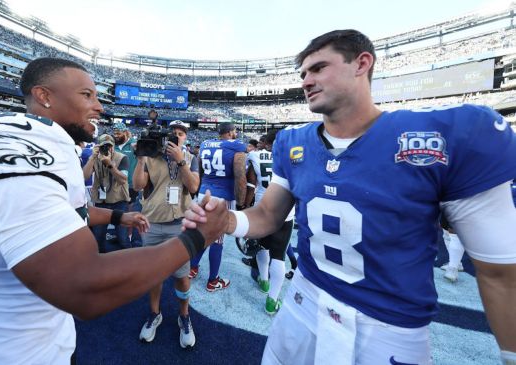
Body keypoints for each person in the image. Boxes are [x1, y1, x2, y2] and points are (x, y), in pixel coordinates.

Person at [183, 29, 516, 364]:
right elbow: (269, 214)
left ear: (362, 63)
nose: (306, 80)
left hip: (388, 329)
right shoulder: (293, 142)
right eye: (303, 74)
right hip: (304, 302)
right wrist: (227, 220)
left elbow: (503, 273)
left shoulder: (442, 134)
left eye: (318, 68)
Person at [0, 57, 226, 364]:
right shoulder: (19, 147)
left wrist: (116, 215)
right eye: (87, 95)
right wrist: (198, 238)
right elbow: (83, 288)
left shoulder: (50, 144)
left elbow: (70, 213)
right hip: (0, 353)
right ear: (44, 96)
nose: (99, 107)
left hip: (40, 338)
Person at [132, 120, 200, 348]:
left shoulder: (190, 158)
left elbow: (193, 187)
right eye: (173, 133)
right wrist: (141, 159)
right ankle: (155, 313)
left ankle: (184, 315)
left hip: (179, 224)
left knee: (182, 275)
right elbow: (137, 186)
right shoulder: (151, 156)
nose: (176, 137)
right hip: (152, 223)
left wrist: (180, 161)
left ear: (185, 138)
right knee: (154, 275)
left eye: (181, 134)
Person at [188, 122, 246, 292]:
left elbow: (199, 168)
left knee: (203, 233)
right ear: (229, 132)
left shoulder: (205, 144)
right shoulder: (235, 145)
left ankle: (192, 267)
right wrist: (241, 204)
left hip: (203, 194)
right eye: (234, 131)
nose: (236, 134)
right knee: (217, 240)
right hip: (221, 197)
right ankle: (213, 280)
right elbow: (240, 173)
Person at [245, 130, 294, 315]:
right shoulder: (294, 158)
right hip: (285, 212)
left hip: (261, 208)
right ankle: (272, 301)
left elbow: (250, 181)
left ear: (267, 143)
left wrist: (244, 204)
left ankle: (264, 280)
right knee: (279, 255)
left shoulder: (255, 155)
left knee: (261, 247)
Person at [83, 134, 131, 251]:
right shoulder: (95, 158)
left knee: (122, 237)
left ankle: (127, 261)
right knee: (98, 236)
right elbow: (84, 176)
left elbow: (123, 179)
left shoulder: (122, 157)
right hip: (101, 201)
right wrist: (92, 158)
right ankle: (101, 261)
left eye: (109, 146)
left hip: (119, 201)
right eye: (104, 146)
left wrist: (110, 164)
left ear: (113, 147)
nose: (107, 149)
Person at [113, 122, 142, 247]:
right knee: (118, 210)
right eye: (114, 133)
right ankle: (121, 235)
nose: (116, 135)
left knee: (130, 211)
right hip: (116, 184)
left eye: (118, 133)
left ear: (125, 132)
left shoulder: (134, 145)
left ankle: (129, 236)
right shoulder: (113, 145)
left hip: (131, 184)